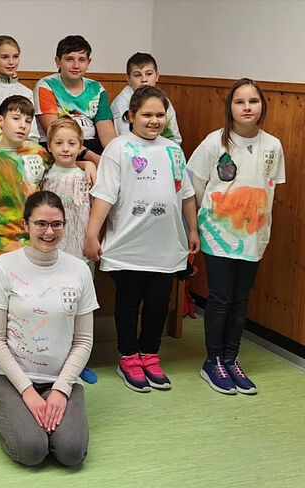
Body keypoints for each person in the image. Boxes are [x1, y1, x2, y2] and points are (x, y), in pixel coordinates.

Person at [84, 86, 200, 392]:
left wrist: (192, 229)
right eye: (146, 114)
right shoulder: (119, 148)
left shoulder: (173, 150)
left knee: (159, 303)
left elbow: (185, 194)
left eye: (160, 115)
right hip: (129, 244)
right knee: (128, 301)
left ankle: (150, 354)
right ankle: (128, 357)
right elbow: (104, 195)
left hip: (166, 245)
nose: (154, 121)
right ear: (131, 116)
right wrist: (92, 234)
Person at [0, 191, 98, 467]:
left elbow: (83, 340)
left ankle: (46, 407)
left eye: (56, 224)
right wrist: (27, 392)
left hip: (59, 377)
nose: (49, 231)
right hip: (8, 376)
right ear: (26, 226)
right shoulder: (4, 267)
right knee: (32, 451)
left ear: (64, 225)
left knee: (71, 453)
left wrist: (60, 389)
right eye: (40, 224)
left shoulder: (79, 270)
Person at [189, 79, 284, 395]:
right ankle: (213, 360)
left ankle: (231, 358)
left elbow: (269, 188)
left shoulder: (272, 146)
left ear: (262, 107)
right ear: (229, 107)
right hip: (218, 232)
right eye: (240, 101)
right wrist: (197, 226)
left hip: (254, 236)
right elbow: (196, 185)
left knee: (241, 299)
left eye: (253, 101)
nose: (247, 107)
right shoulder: (214, 143)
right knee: (220, 298)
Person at [0, 96, 94, 274]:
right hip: (1, 240)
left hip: (37, 238)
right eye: (16, 119)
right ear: (0, 120)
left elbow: (64, 165)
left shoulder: (38, 152)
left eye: (28, 121)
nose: (22, 125)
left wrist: (87, 164)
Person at [41, 116, 98, 384]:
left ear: (80, 145)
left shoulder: (87, 174)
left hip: (81, 253)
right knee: (52, 307)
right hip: (53, 254)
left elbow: (98, 209)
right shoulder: (45, 175)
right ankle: (53, 361)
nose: (66, 148)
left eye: (72, 143)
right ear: (49, 146)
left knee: (79, 308)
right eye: (59, 143)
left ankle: (79, 361)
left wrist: (88, 163)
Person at [34, 35, 116, 164]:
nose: (76, 65)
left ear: (88, 62)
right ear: (58, 61)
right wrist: (93, 159)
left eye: (82, 60)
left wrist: (114, 158)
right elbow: (54, 132)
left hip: (91, 144)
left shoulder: (96, 88)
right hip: (60, 146)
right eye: (69, 59)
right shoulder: (46, 85)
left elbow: (107, 133)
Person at [110, 52, 182, 144]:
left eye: (149, 74)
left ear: (157, 76)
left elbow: (175, 137)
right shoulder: (121, 103)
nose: (144, 79)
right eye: (137, 75)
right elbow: (124, 139)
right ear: (128, 79)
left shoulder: (163, 100)